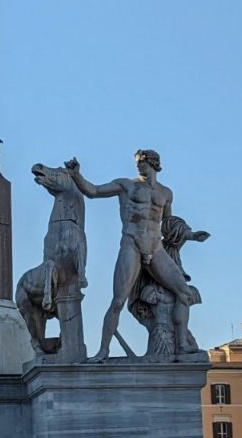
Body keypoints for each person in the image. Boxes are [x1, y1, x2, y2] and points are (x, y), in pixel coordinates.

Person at [65, 150, 208, 360]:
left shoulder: (166, 193)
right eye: (136, 162)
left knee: (185, 293)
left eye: (141, 162)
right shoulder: (126, 185)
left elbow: (168, 224)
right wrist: (77, 175)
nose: (138, 166)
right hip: (131, 244)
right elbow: (93, 191)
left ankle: (183, 344)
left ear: (153, 163)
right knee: (118, 301)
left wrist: (191, 235)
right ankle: (103, 350)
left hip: (155, 248)